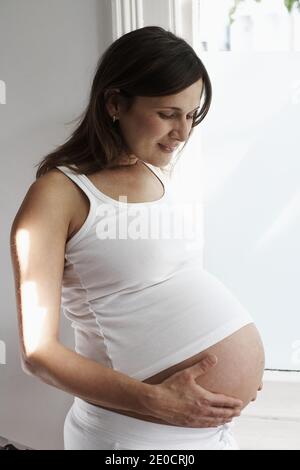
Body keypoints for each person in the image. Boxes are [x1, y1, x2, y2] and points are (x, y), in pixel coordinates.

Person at [10, 26, 264, 450]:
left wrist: (238, 370)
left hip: (206, 433)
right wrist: (158, 400)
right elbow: (38, 353)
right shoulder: (57, 195)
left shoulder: (156, 173)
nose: (182, 133)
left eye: (191, 115)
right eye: (167, 114)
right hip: (135, 437)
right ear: (114, 103)